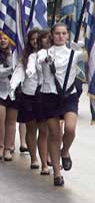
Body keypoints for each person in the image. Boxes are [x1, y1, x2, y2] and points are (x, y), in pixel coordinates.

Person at [38, 23, 86, 186]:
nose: (60, 36)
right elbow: (40, 59)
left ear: (67, 35)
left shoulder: (74, 53)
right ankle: (57, 173)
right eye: (57, 33)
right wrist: (46, 58)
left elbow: (88, 54)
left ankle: (65, 151)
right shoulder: (45, 52)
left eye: (63, 33)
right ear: (52, 35)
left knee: (70, 129)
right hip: (50, 96)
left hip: (68, 96)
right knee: (55, 134)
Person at [10, 30, 48, 174]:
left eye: (37, 39)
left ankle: (45, 162)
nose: (35, 42)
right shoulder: (25, 58)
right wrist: (13, 86)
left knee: (44, 130)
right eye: (32, 39)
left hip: (43, 96)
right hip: (28, 95)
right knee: (31, 128)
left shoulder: (47, 55)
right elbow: (19, 72)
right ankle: (34, 158)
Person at [0, 33, 18, 162]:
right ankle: (0, 146)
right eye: (0, 38)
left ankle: (7, 148)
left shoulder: (16, 53)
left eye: (5, 38)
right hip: (0, 91)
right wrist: (11, 70)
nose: (2, 40)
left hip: (14, 92)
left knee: (11, 122)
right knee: (0, 120)